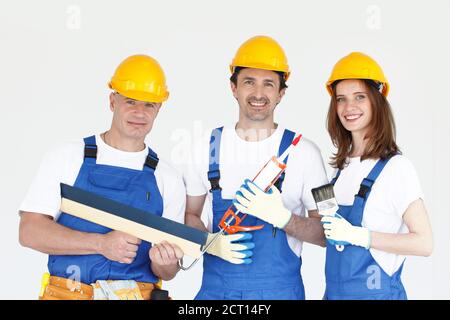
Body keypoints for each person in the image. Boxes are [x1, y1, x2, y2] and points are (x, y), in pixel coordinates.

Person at [19, 54, 186, 300]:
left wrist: (164, 262)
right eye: (131, 101)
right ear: (112, 101)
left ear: (159, 109)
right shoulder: (67, 156)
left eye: (149, 104)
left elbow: (168, 272)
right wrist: (101, 244)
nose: (139, 112)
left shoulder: (167, 177)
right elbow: (29, 232)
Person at [184, 35, 328, 300]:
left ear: (281, 93)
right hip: (217, 295)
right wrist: (210, 244)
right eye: (249, 82)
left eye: (269, 84)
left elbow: (327, 234)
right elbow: (189, 215)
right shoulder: (205, 146)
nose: (259, 94)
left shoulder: (306, 152)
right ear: (233, 87)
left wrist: (284, 218)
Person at [321, 52, 433, 299]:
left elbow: (424, 243)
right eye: (341, 99)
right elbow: (325, 235)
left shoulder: (396, 168)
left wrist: (360, 236)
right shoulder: (339, 170)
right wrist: (284, 217)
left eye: (359, 97)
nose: (349, 107)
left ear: (377, 101)